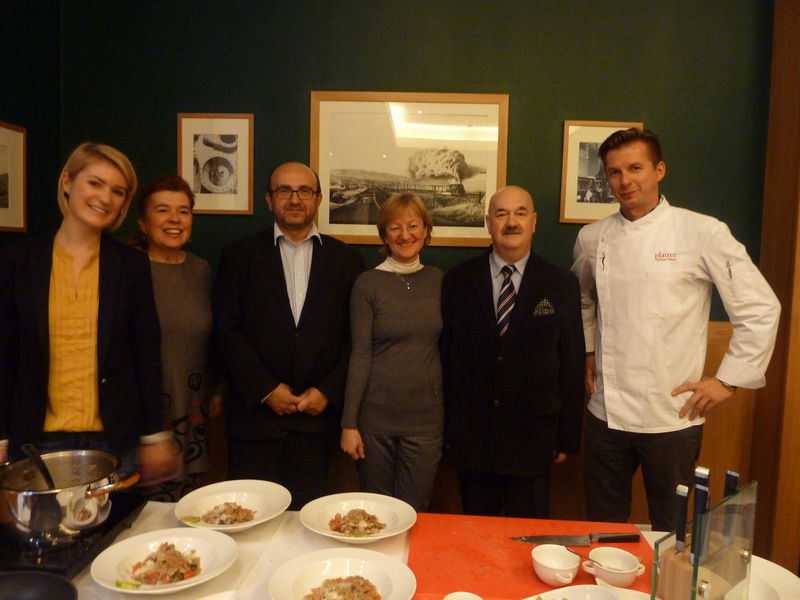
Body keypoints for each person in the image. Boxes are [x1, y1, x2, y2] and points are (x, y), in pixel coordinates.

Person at [572, 128, 781, 532]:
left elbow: (760, 306)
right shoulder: (592, 238)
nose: (625, 180)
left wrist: (727, 380)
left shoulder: (702, 232)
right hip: (605, 413)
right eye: (614, 172)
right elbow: (578, 298)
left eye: (635, 168)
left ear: (659, 170)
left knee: (671, 530)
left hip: (673, 415)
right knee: (602, 525)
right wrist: (588, 349)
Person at [0, 142, 179, 484]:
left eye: (118, 191)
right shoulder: (17, 261)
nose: (105, 198)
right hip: (36, 442)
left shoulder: (131, 265)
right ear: (67, 182)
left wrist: (154, 435)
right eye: (95, 183)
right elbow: (5, 354)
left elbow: (145, 353)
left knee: (118, 521)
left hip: (115, 441)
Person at [213, 162, 363, 509]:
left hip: (316, 421)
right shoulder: (238, 255)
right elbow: (227, 329)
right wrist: (265, 389)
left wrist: (328, 391)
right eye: (284, 190)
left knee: (305, 522)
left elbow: (354, 337)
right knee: (249, 519)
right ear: (269, 199)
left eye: (304, 191)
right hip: (253, 421)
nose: (295, 199)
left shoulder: (347, 261)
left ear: (318, 199)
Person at [441, 185, 585, 518]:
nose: (511, 222)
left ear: (534, 221)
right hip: (472, 437)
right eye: (501, 214)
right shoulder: (458, 280)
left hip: (534, 437)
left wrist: (567, 436)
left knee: (529, 537)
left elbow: (571, 361)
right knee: (477, 535)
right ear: (488, 222)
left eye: (520, 213)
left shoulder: (561, 283)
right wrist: (448, 428)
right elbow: (445, 357)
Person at [340, 192, 443, 511]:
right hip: (375, 422)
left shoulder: (440, 281)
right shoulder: (367, 284)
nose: (405, 235)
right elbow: (359, 355)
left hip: (426, 421)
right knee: (377, 513)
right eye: (395, 227)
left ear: (426, 230)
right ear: (384, 235)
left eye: (413, 225)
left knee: (415, 510)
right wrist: (349, 424)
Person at [132, 174, 223, 500]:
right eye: (162, 210)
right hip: (142, 412)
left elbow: (214, 339)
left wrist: (217, 390)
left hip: (194, 411)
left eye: (183, 211)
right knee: (140, 513)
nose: (174, 219)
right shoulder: (127, 269)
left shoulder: (201, 270)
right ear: (143, 221)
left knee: (186, 509)